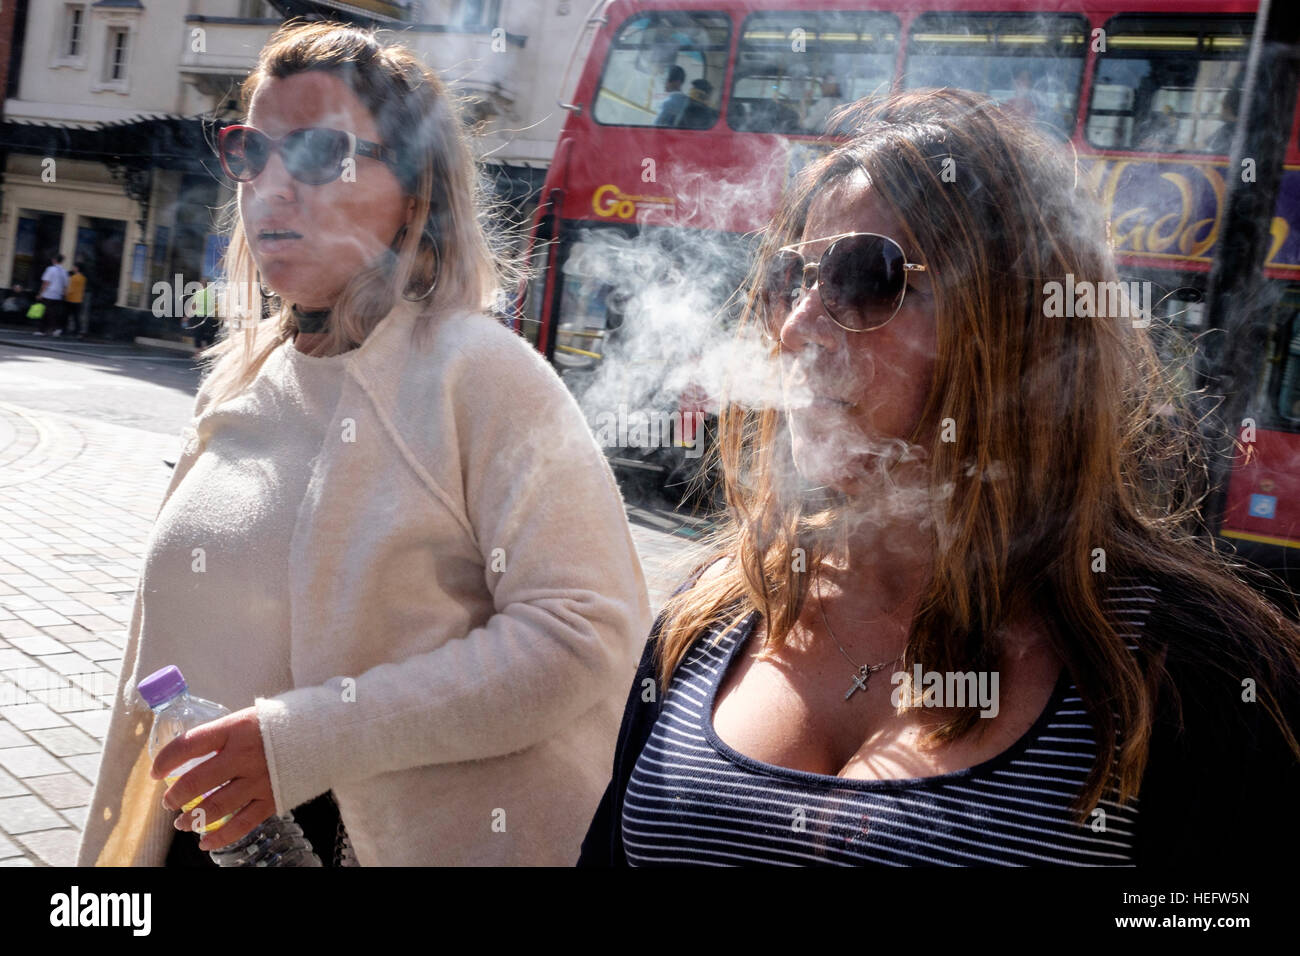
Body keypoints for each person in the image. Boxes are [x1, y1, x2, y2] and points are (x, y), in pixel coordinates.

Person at [580, 88, 1300, 867]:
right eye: (792, 280)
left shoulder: (1194, 675)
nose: (796, 327)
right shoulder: (710, 617)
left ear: (1017, 333)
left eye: (863, 278)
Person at [76, 21, 651, 868]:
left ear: (415, 194)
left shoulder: (482, 374)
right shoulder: (243, 375)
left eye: (316, 154)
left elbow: (585, 634)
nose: (269, 186)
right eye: (251, 150)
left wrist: (302, 740)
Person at [35, 252, 68, 336]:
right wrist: (63, 294)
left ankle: (46, 330)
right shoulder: (64, 271)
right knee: (53, 313)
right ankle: (51, 329)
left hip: (49, 294)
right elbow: (65, 285)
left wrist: (40, 293)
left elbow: (46, 282)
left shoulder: (50, 269)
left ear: (54, 260)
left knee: (46, 312)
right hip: (58, 295)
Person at [65, 263, 88, 338]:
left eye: (74, 267)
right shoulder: (83, 278)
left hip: (71, 299)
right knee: (76, 317)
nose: (73, 268)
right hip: (79, 299)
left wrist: (65, 295)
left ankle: (65, 330)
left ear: (77, 268)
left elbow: (70, 289)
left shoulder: (73, 277)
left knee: (67, 315)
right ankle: (78, 332)